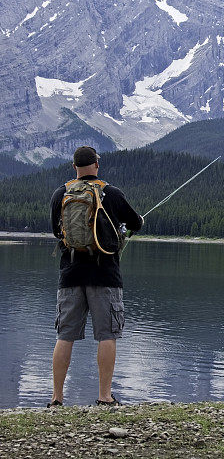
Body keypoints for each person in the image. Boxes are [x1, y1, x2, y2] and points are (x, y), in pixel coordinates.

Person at [48, 146, 143, 407]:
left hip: (70, 274)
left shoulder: (61, 193)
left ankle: (57, 398)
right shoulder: (110, 193)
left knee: (65, 335)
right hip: (105, 274)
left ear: (74, 166)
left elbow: (57, 233)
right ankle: (104, 396)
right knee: (106, 335)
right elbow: (135, 223)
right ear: (96, 165)